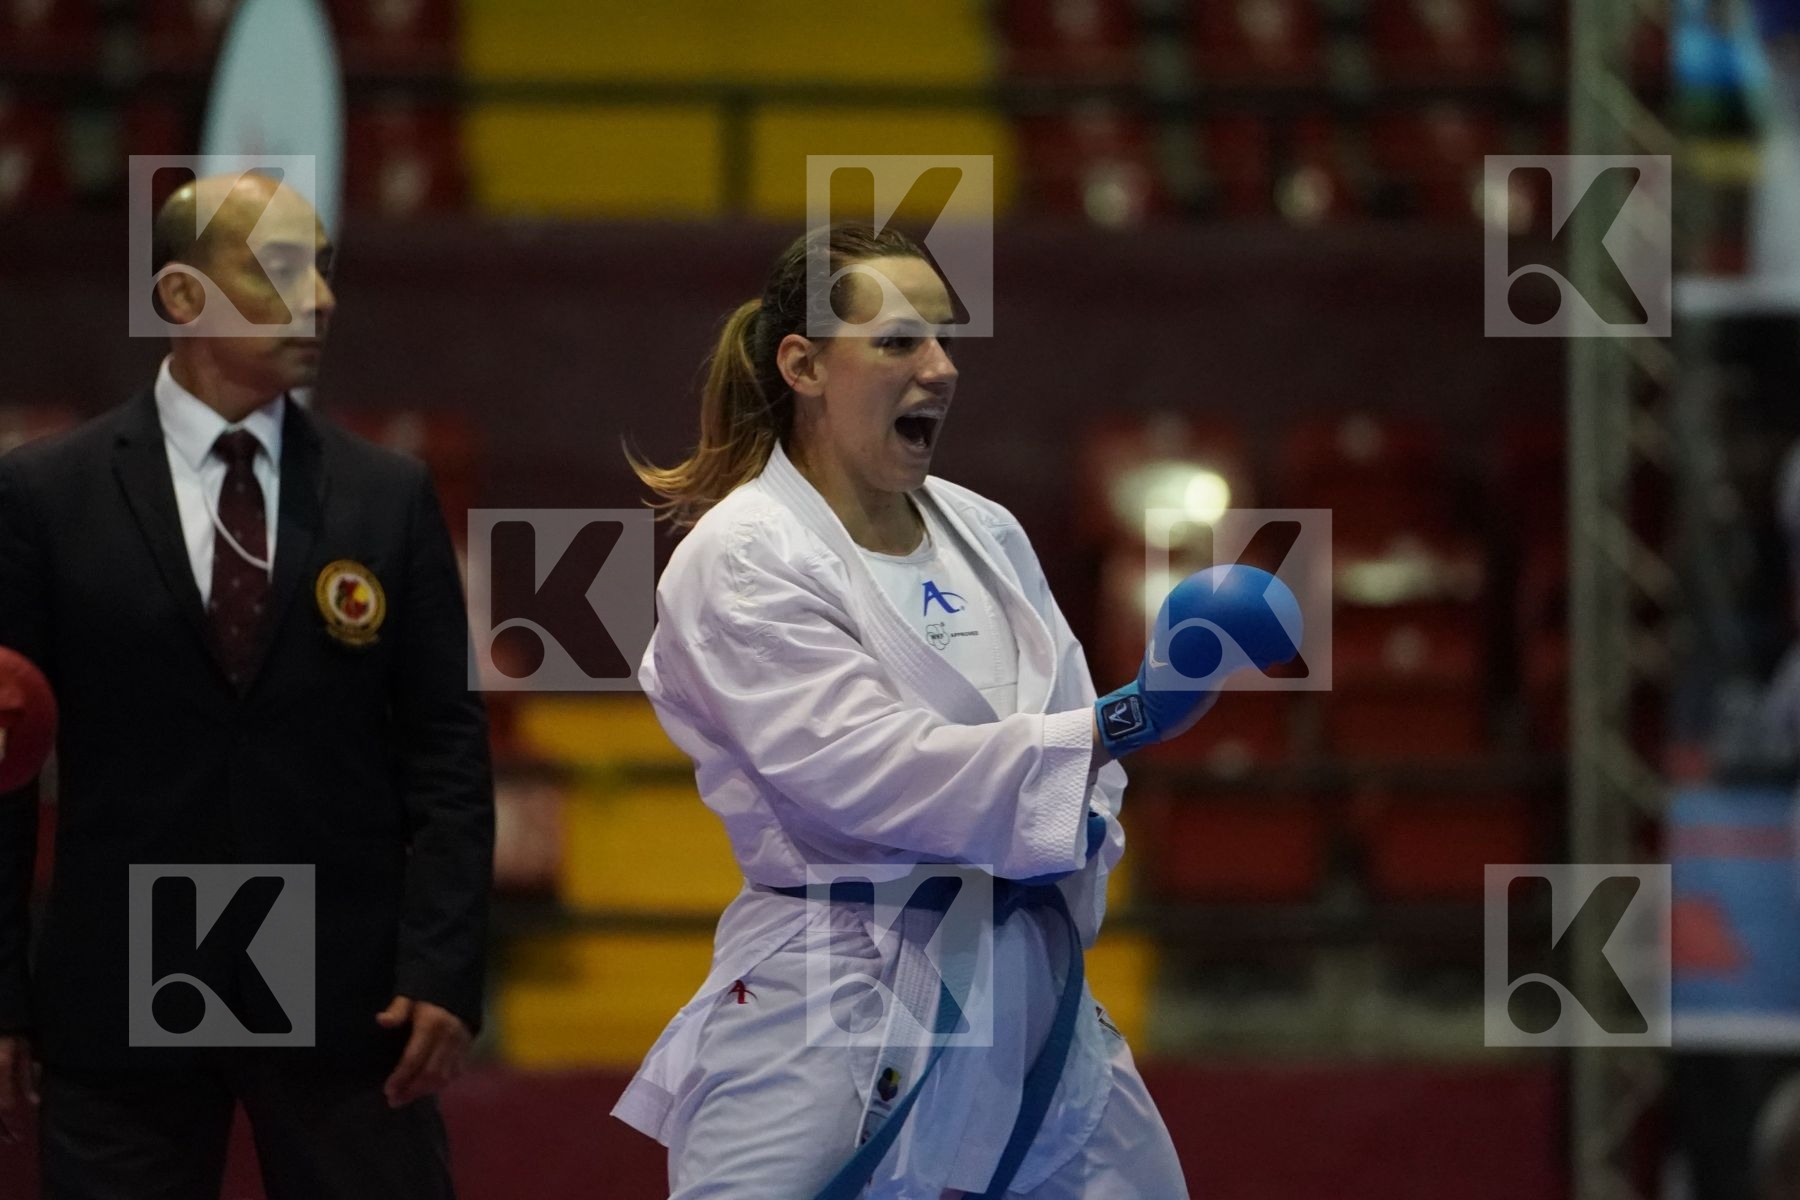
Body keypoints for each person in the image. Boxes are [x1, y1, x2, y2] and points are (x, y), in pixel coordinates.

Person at [615, 223, 1296, 1199]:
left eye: (942, 337)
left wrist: (1087, 784)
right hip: (834, 1000)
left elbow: (1081, 775)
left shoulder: (986, 531)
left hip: (1026, 989)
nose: (940, 367)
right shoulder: (744, 556)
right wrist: (1125, 720)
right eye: (899, 341)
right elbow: (870, 773)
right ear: (804, 366)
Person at [0, 171, 494, 1199]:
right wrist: (1, 992)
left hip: (348, 991)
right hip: (120, 978)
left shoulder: (387, 496)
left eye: (324, 267)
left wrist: (441, 966)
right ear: (182, 297)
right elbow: (5, 766)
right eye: (281, 269)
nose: (320, 296)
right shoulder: (46, 496)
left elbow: (447, 752)